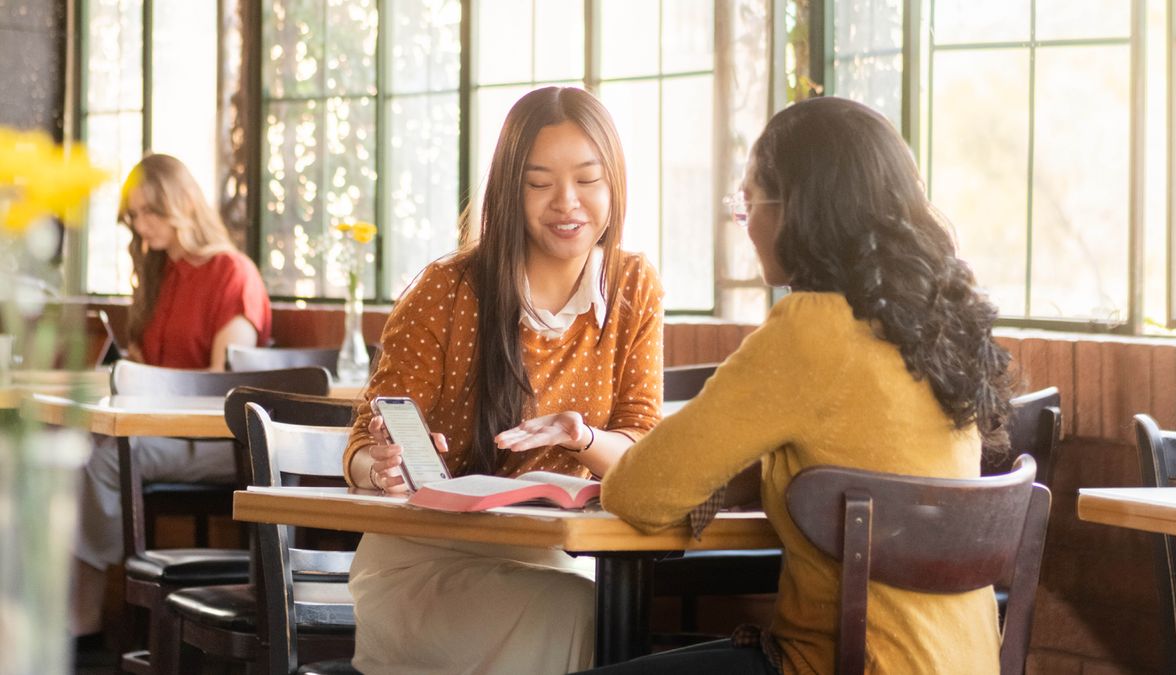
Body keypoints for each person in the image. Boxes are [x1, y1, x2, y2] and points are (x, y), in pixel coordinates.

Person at [580, 96, 1015, 675]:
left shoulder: (810, 328)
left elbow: (637, 492)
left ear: (799, 210)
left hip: (852, 662)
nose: (747, 224)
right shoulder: (934, 327)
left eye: (749, 201)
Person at [343, 86, 664, 674]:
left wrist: (582, 437)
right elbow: (365, 441)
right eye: (539, 183)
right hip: (422, 562)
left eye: (588, 180)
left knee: (608, 612)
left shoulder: (633, 286)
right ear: (509, 190)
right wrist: (380, 465)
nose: (567, 202)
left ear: (614, 183)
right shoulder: (447, 289)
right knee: (583, 615)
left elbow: (641, 451)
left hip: (560, 557)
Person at [71, 153, 272, 641]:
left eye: (149, 212)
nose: (140, 225)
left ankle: (83, 612)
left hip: (224, 443)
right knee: (64, 448)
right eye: (134, 215)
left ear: (182, 203)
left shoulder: (231, 273)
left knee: (102, 461)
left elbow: (222, 387)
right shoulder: (159, 274)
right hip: (162, 433)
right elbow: (139, 369)